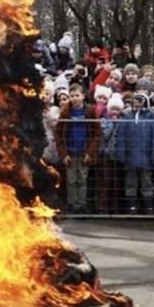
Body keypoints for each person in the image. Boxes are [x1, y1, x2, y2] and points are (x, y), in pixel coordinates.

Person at [55, 84, 101, 214]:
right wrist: (63, 154)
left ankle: (81, 204)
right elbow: (58, 134)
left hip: (84, 151)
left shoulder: (90, 111)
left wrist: (90, 152)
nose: (75, 98)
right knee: (71, 180)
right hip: (70, 151)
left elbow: (97, 134)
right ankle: (72, 204)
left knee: (82, 179)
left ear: (83, 96)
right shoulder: (65, 111)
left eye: (77, 95)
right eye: (72, 96)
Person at [116, 93, 154, 214]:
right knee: (131, 182)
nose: (137, 106)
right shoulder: (127, 118)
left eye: (140, 103)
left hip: (146, 158)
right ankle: (132, 205)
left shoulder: (151, 118)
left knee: (147, 182)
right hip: (130, 158)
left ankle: (149, 206)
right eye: (135, 103)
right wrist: (121, 154)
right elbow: (121, 138)